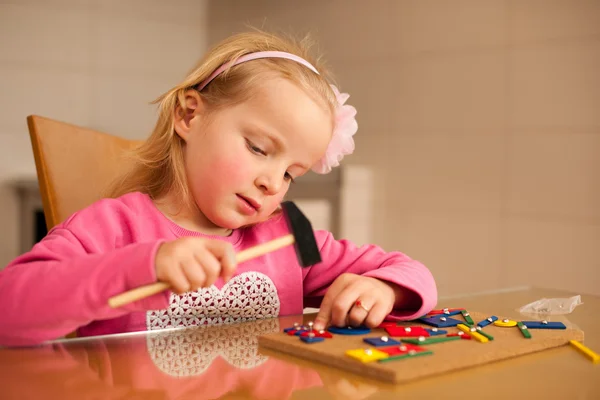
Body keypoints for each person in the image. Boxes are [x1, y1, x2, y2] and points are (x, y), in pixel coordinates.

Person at [0, 30, 437, 347]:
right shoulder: (112, 228)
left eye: (291, 174)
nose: (272, 182)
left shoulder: (290, 233)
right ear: (190, 116)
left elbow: (409, 269)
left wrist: (385, 289)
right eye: (259, 148)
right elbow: (8, 310)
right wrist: (143, 266)